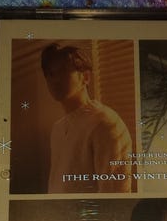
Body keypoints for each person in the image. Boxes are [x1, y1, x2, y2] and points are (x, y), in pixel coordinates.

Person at [41, 43, 132, 193]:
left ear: (86, 77)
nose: (54, 79)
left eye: (63, 71)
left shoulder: (105, 123)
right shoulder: (58, 129)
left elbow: (115, 196)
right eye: (50, 74)